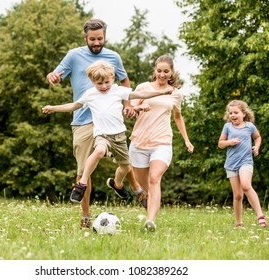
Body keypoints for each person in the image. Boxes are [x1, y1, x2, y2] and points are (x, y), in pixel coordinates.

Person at [46, 19, 145, 228]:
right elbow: (55, 74)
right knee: (83, 171)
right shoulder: (74, 55)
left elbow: (125, 82)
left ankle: (136, 189)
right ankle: (85, 215)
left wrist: (129, 105)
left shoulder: (113, 57)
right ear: (85, 38)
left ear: (104, 36)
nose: (96, 42)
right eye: (92, 39)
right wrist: (53, 77)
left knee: (124, 158)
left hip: (109, 118)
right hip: (82, 121)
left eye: (100, 38)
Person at [42, 60, 173, 208]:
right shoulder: (90, 94)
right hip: (102, 135)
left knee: (125, 167)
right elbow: (73, 106)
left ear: (112, 78)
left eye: (106, 82)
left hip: (119, 137)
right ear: (92, 81)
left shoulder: (117, 90)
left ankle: (117, 184)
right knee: (98, 151)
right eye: (99, 83)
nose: (104, 86)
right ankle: (82, 184)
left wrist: (161, 92)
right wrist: (54, 108)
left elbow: (139, 93)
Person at [128, 55, 194, 232]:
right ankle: (148, 203)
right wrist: (137, 108)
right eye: (159, 71)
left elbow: (178, 117)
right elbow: (130, 108)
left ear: (171, 72)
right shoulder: (144, 87)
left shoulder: (175, 94)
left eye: (166, 71)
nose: (162, 74)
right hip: (139, 142)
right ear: (154, 71)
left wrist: (186, 140)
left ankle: (150, 220)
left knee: (154, 178)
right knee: (144, 188)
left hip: (162, 142)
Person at [218, 100, 268, 228]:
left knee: (246, 186)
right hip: (231, 164)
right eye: (230, 113)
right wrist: (230, 142)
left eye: (236, 112)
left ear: (243, 113)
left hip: (246, 161)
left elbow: (257, 137)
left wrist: (256, 147)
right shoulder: (227, 127)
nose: (233, 115)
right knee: (238, 195)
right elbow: (220, 143)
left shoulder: (249, 126)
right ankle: (239, 223)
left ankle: (260, 216)